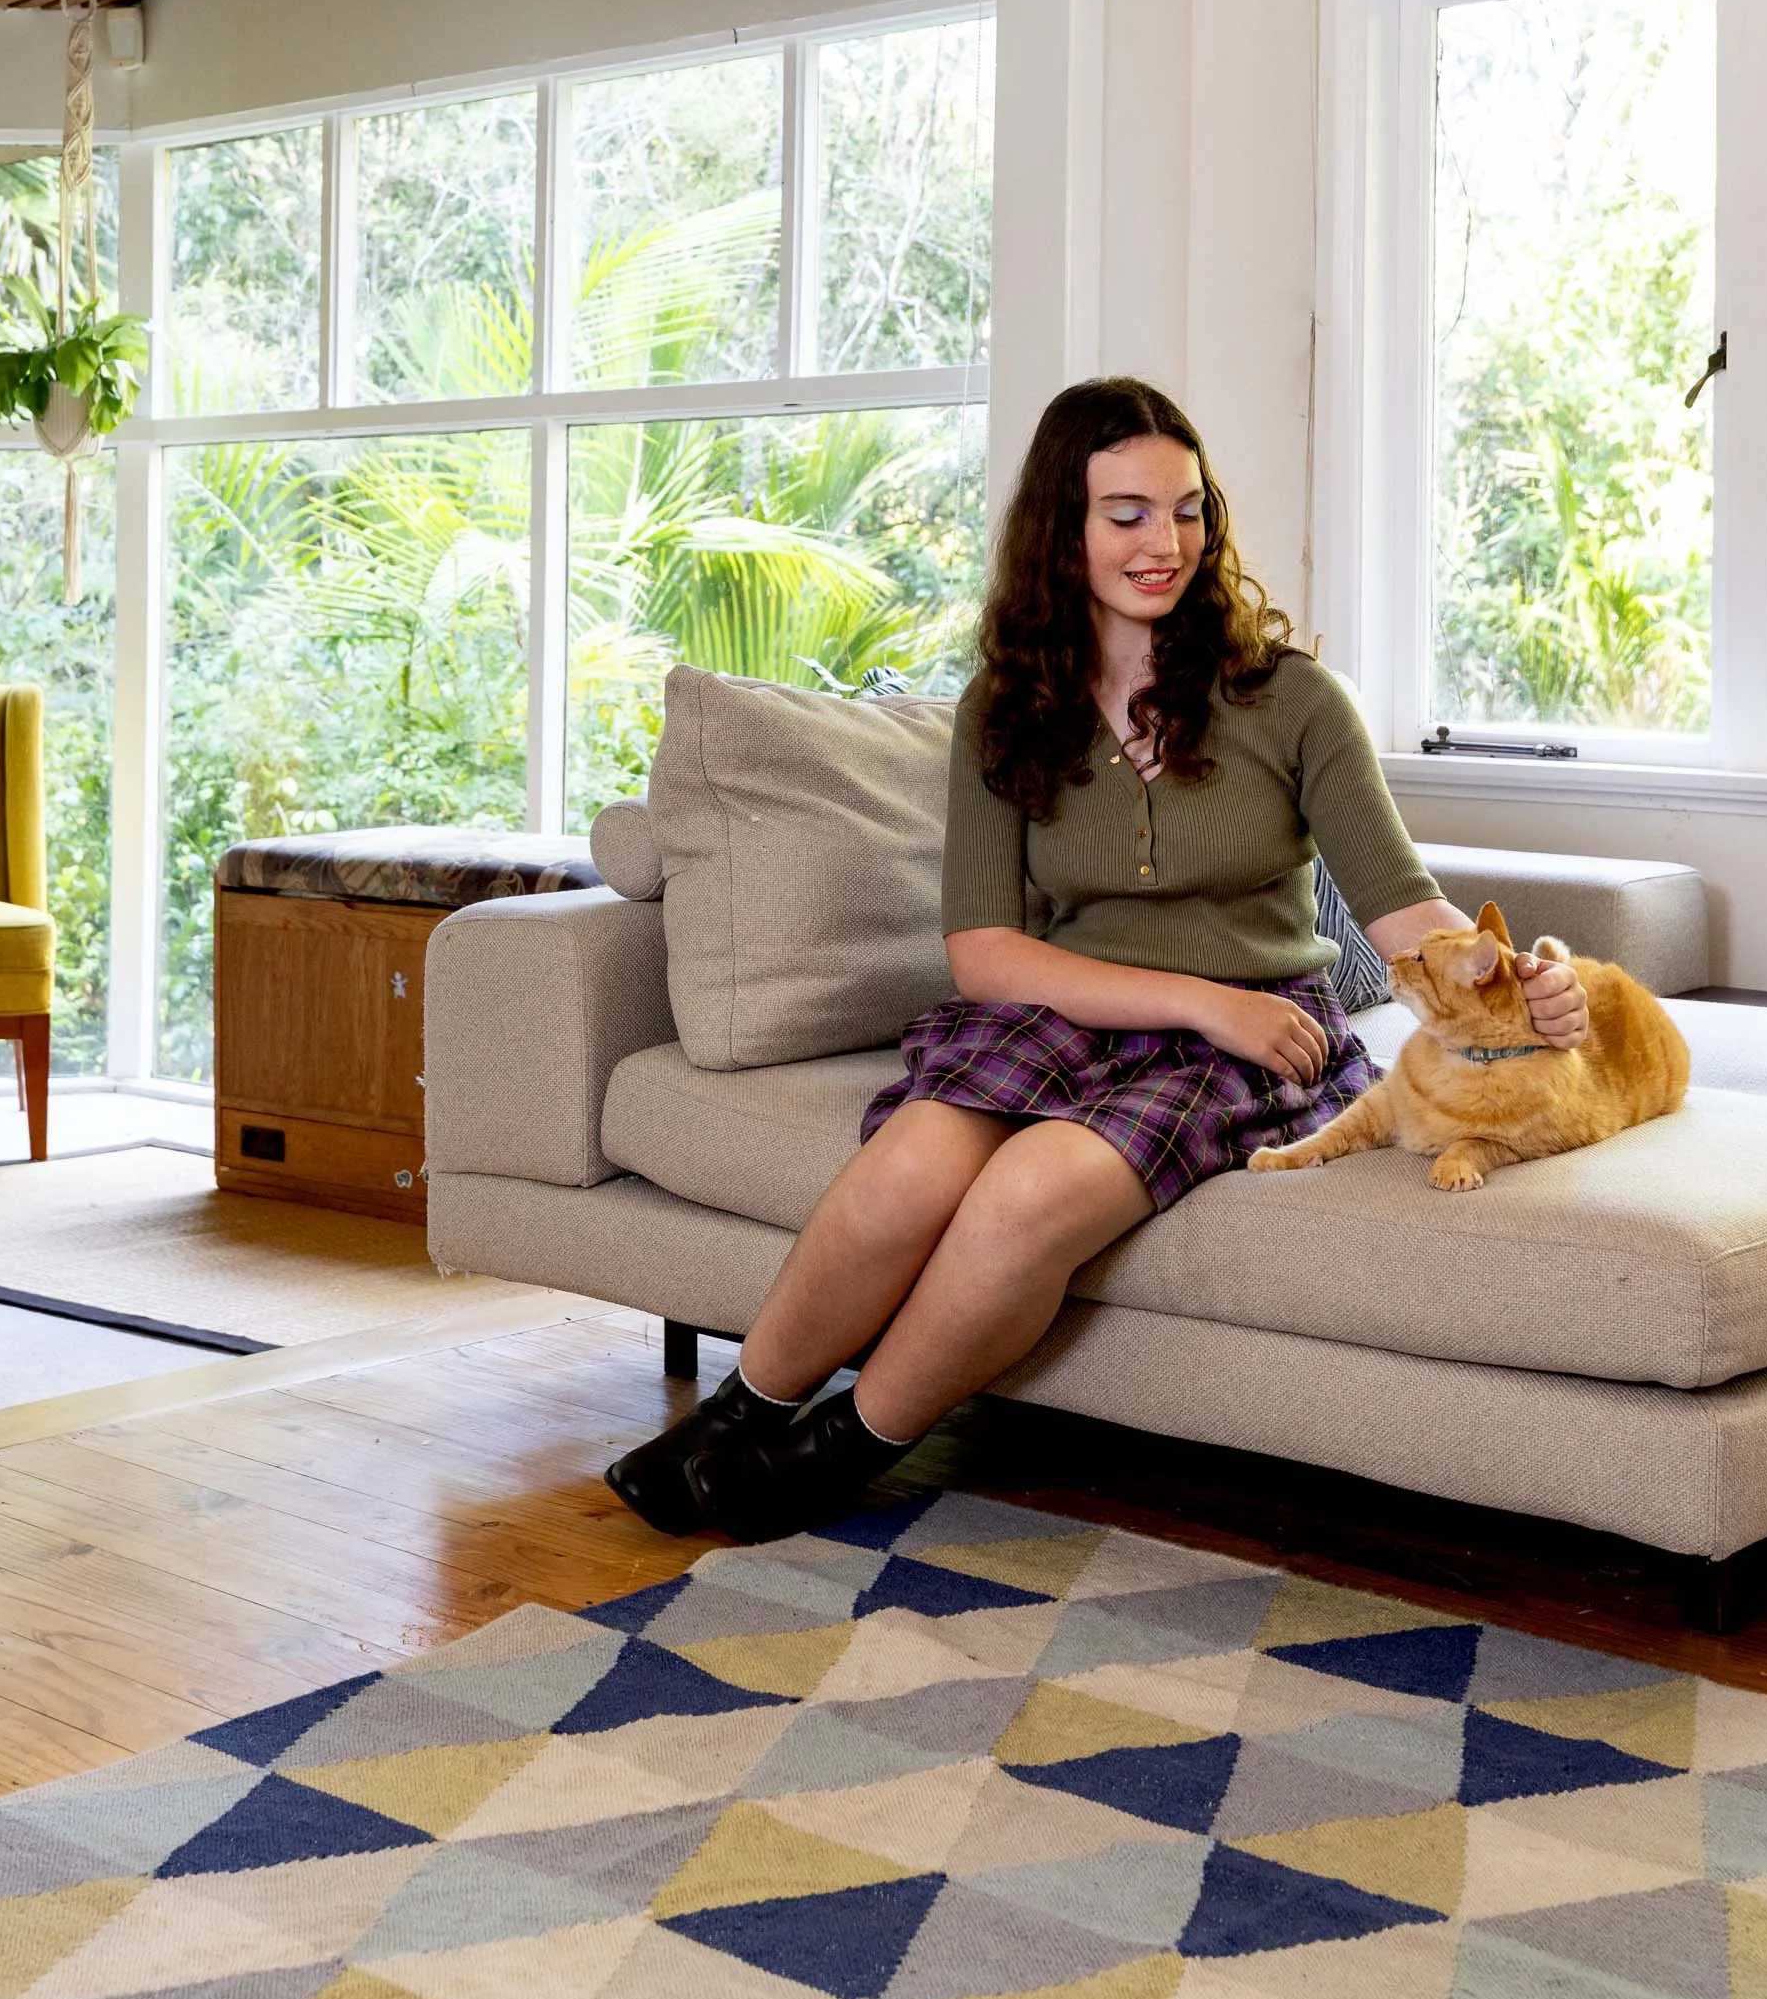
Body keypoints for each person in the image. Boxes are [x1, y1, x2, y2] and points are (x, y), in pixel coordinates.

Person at [605, 377, 1590, 1545]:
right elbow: (981, 953)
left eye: (1184, 511)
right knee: (911, 1167)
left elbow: (1400, 907)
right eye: (1124, 513)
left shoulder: (1292, 701)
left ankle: (832, 1456)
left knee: (1025, 1196)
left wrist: (1516, 982)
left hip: (1253, 1028)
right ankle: (735, 1420)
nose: (1161, 544)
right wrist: (1188, 999)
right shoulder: (1004, 709)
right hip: (1060, 1009)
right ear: (1060, 530)